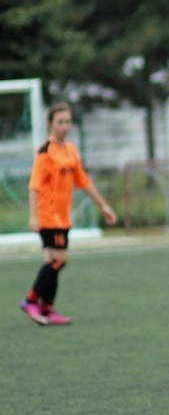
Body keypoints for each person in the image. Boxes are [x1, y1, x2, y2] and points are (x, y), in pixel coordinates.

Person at [19, 102, 117, 326]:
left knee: (52, 261)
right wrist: (33, 216)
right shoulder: (45, 152)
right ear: (50, 124)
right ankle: (30, 301)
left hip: (63, 217)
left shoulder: (70, 150)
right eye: (60, 122)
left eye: (68, 122)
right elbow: (34, 186)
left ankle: (46, 309)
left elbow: (83, 181)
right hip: (48, 215)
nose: (65, 126)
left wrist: (103, 205)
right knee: (59, 259)